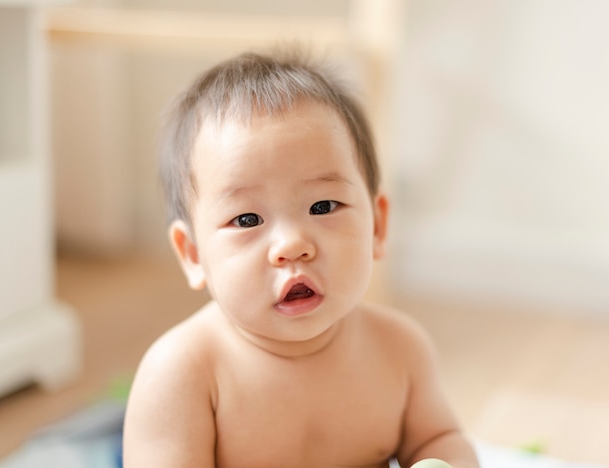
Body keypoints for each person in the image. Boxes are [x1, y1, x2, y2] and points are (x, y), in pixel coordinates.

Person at [123, 48, 479, 468]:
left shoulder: (400, 350)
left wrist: (440, 461)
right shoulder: (181, 375)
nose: (292, 244)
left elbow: (439, 438)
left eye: (323, 207)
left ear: (377, 227)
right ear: (194, 254)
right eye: (248, 218)